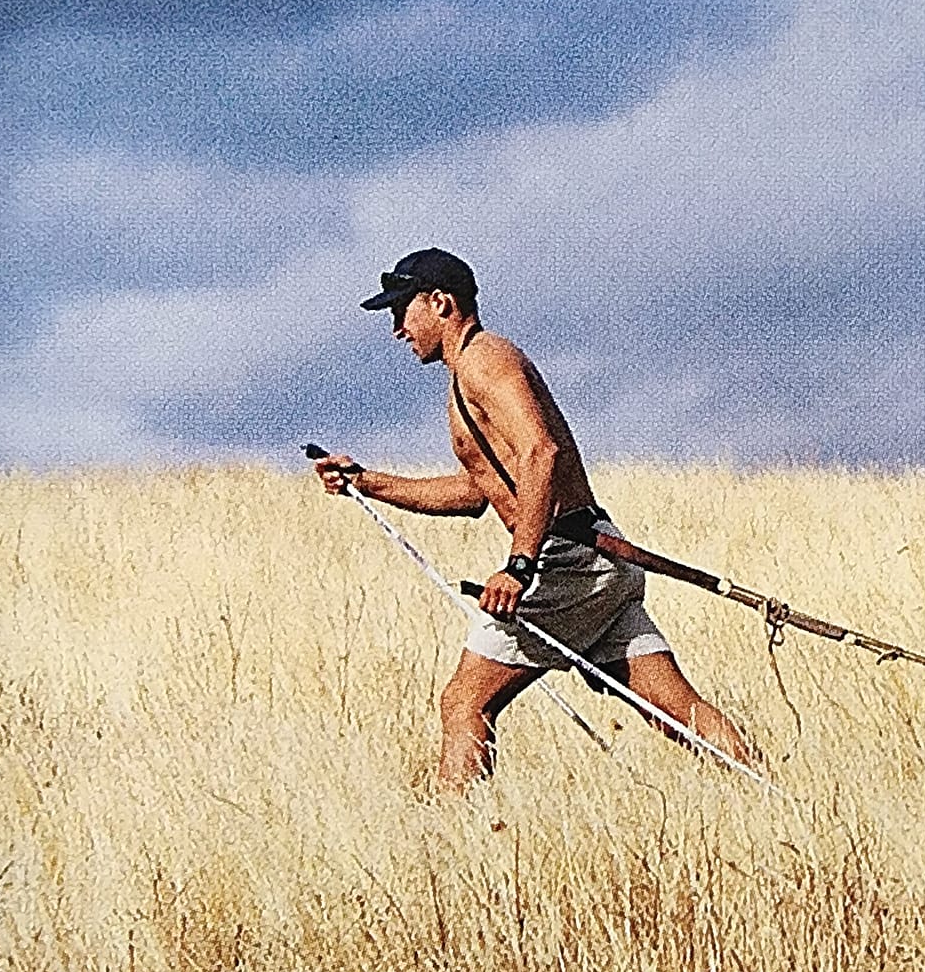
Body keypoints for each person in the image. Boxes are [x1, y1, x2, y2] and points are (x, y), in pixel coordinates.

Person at [314, 247, 757, 791]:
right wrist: (367, 481)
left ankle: (454, 833)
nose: (397, 330)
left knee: (464, 701)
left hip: (565, 563)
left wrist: (519, 567)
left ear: (440, 303)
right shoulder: (469, 373)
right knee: (678, 710)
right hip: (596, 560)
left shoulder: (484, 361)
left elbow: (540, 453)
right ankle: (777, 798)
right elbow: (478, 493)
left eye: (401, 311)